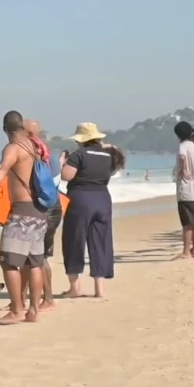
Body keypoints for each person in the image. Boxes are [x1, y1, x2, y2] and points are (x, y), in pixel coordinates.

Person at [0, 111, 49, 324]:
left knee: (9, 261)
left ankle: (16, 310)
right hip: (40, 209)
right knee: (34, 262)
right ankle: (33, 310)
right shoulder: (34, 146)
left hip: (22, 211)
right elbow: (21, 168)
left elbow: (4, 168)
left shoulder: (12, 147)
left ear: (5, 129)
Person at [59, 122, 122, 298]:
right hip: (102, 198)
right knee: (100, 242)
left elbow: (66, 176)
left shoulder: (79, 154)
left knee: (74, 241)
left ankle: (75, 287)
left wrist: (63, 163)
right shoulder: (108, 156)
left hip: (80, 198)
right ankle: (100, 289)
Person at [25, 119, 58, 311]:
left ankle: (47, 298)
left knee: (36, 256)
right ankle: (44, 297)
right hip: (54, 206)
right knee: (40, 255)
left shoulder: (34, 155)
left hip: (41, 207)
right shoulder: (51, 156)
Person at [173, 121, 194, 259]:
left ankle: (186, 251)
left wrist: (183, 170)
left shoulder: (183, 146)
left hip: (186, 189)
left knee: (187, 223)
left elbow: (182, 157)